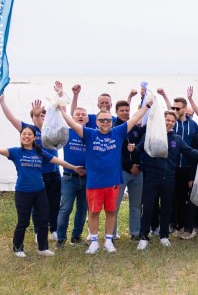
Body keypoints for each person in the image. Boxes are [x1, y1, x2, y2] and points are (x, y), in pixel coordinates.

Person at [0, 127, 84, 257]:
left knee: (43, 219)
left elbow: (57, 161)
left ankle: (43, 248)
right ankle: (18, 248)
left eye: (29, 134)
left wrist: (74, 168)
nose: (26, 136)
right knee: (23, 221)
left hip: (40, 191)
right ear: (20, 137)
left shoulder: (39, 152)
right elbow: (0, 151)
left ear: (34, 138)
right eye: (24, 134)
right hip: (23, 192)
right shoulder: (16, 152)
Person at [56, 97, 150, 254]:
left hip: (112, 181)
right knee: (93, 212)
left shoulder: (118, 132)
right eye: (101, 120)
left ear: (112, 121)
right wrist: (59, 109)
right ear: (96, 122)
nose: (105, 122)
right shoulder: (89, 134)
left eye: (107, 120)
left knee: (111, 212)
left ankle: (108, 241)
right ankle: (94, 241)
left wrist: (147, 105)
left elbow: (135, 118)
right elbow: (72, 123)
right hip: (94, 182)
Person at [134, 111, 198, 250]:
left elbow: (189, 151)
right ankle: (144, 237)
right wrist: (132, 148)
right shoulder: (152, 134)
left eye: (172, 121)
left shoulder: (177, 138)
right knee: (148, 207)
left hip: (169, 178)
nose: (169, 123)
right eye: (167, 120)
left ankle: (164, 236)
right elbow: (139, 149)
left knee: (167, 208)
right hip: (151, 178)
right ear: (162, 120)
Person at [0, 90, 62, 242]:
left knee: (54, 203)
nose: (41, 116)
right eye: (37, 115)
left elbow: (61, 114)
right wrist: (2, 101)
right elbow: (11, 118)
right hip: (37, 175)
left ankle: (54, 229)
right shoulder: (28, 130)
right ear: (32, 117)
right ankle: (39, 232)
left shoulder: (52, 129)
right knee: (37, 206)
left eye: (43, 114)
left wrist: (58, 93)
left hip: (54, 172)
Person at [56, 105, 89, 247]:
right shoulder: (66, 133)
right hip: (69, 178)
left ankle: (76, 237)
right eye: (77, 114)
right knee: (65, 208)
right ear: (73, 118)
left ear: (87, 119)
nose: (80, 116)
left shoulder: (91, 133)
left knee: (82, 210)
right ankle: (61, 239)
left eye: (83, 114)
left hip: (87, 179)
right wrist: (60, 104)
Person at [113, 97, 145, 240]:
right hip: (121, 172)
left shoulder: (136, 129)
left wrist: (138, 166)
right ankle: (111, 234)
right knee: (114, 205)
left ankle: (135, 233)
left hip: (137, 172)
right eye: (122, 111)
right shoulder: (113, 128)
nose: (125, 113)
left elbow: (143, 149)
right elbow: (115, 153)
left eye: (127, 110)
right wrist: (128, 166)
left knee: (136, 205)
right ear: (116, 112)